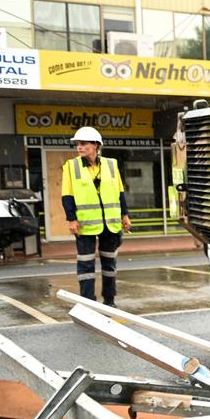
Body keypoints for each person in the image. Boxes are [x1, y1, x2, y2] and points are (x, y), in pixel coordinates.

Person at [60, 126, 131, 306]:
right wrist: (71, 219)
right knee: (85, 265)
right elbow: (67, 195)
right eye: (77, 144)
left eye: (83, 144)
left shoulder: (111, 164)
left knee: (109, 265)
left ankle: (110, 300)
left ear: (96, 145)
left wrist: (125, 215)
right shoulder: (71, 166)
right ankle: (88, 302)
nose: (79, 147)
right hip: (85, 224)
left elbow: (120, 191)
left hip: (111, 223)